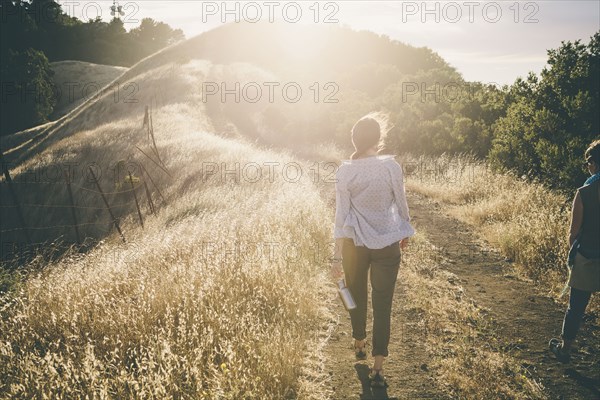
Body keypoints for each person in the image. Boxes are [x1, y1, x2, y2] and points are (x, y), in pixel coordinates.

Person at [330, 114, 415, 388]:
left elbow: (340, 217)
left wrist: (336, 256)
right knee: (383, 303)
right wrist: (404, 230)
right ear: (378, 140)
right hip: (388, 243)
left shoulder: (346, 170)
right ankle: (378, 367)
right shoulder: (391, 167)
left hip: (355, 244)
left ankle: (358, 340)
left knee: (354, 294)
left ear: (355, 140)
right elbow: (402, 205)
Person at [549, 139, 600, 363]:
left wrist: (574, 256)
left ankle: (565, 349)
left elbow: (573, 233)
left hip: (587, 256)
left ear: (594, 163)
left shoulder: (584, 192)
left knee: (576, 306)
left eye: (588, 163)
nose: (587, 167)